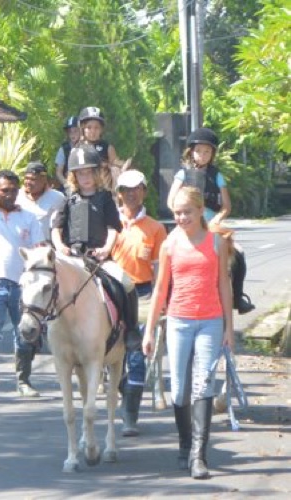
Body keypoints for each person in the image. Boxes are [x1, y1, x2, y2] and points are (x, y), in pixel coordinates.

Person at [143, 186, 234, 480]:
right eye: (177, 213)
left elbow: (224, 286)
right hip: (179, 320)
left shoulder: (216, 243)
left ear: (199, 211)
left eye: (187, 212)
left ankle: (198, 454)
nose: (181, 218)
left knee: (203, 385)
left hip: (210, 320)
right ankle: (184, 444)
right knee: (180, 389)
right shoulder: (169, 245)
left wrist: (229, 328)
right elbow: (160, 289)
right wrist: (150, 331)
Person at [51, 143, 138, 345]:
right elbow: (56, 228)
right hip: (72, 258)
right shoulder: (68, 199)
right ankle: (47, 328)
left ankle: (131, 330)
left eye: (89, 173)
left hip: (98, 257)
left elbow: (112, 228)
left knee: (126, 283)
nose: (86, 178)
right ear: (74, 176)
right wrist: (60, 247)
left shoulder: (105, 198)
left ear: (97, 173)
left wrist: (106, 249)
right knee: (47, 285)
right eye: (80, 174)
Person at [0, 170, 45, 404]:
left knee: (24, 335)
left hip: (23, 286)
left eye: (14, 190)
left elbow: (39, 251)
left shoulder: (29, 217)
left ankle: (23, 382)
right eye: (5, 190)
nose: (10, 195)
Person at [167, 127, 255, 314]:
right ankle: (165, 297)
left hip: (211, 224)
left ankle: (237, 297)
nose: (202, 155)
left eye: (207, 151)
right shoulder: (182, 174)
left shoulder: (217, 176)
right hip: (186, 224)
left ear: (212, 153)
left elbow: (226, 206)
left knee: (239, 253)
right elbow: (170, 200)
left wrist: (215, 220)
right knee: (166, 250)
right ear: (191, 151)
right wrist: (183, 216)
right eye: (199, 151)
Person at [111, 169, 167, 437]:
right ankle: (121, 395)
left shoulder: (156, 228)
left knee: (137, 354)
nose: (130, 194)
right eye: (124, 190)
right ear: (118, 194)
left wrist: (161, 301)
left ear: (144, 191)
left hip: (142, 294)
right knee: (110, 352)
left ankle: (130, 414)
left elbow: (160, 270)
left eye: (135, 189)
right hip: (110, 292)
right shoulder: (109, 224)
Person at [16, 161, 66, 241]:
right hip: (21, 245)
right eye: (26, 178)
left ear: (43, 180)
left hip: (46, 246)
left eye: (33, 179)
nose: (28, 182)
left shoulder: (57, 197)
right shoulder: (16, 196)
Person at [54, 116, 81, 190]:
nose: (72, 134)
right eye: (70, 131)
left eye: (75, 131)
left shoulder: (88, 147)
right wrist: (67, 184)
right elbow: (59, 172)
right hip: (69, 184)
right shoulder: (64, 148)